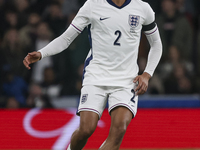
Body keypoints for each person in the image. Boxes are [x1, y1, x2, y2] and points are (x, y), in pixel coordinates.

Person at [23, 0, 162, 149]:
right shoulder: (93, 5)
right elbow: (66, 38)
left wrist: (147, 74)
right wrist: (42, 53)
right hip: (96, 76)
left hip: (127, 80)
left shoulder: (142, 8)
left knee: (119, 129)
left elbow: (156, 44)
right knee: (86, 129)